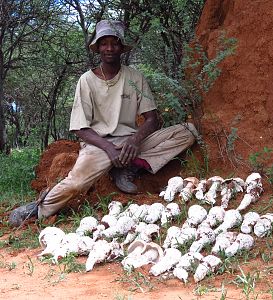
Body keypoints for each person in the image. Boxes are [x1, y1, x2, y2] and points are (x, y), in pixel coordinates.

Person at [9, 20, 198, 227]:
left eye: (115, 43)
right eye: (104, 43)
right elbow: (81, 128)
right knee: (77, 182)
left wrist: (135, 140)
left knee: (187, 131)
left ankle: (129, 167)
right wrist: (109, 149)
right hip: (98, 144)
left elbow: (152, 119)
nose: (109, 48)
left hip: (130, 144)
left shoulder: (135, 77)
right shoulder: (86, 80)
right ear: (98, 47)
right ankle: (39, 209)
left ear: (121, 48)